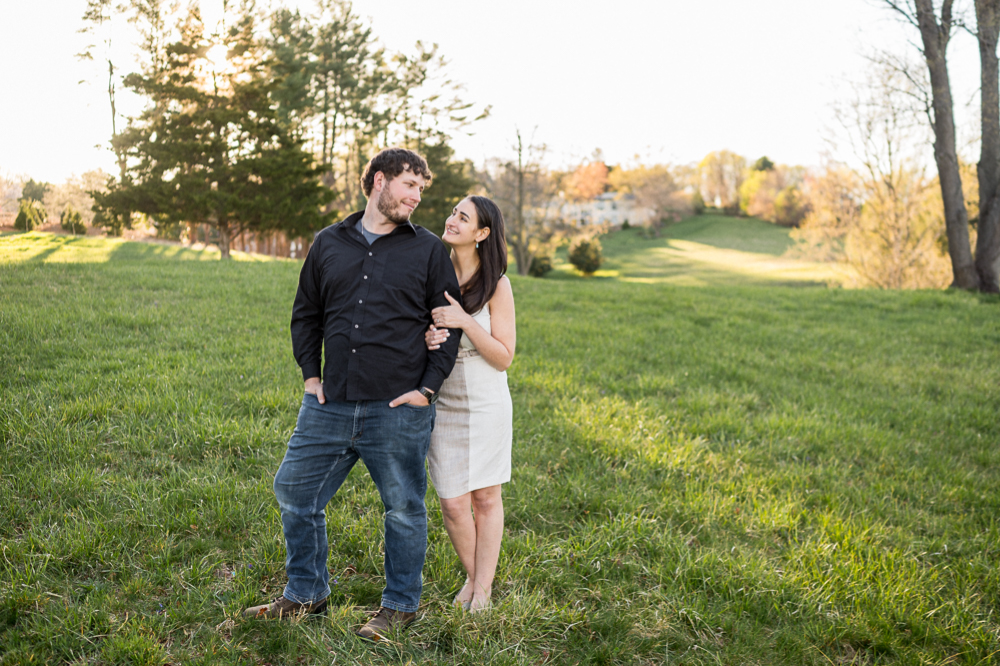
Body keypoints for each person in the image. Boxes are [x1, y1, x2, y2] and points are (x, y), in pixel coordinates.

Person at [243, 147, 462, 642]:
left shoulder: (428, 250)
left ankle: (401, 606)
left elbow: (447, 326)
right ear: (380, 181)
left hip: (397, 407)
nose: (417, 197)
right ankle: (306, 595)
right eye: (411, 185)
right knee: (295, 492)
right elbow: (307, 314)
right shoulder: (327, 243)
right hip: (330, 402)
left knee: (403, 507)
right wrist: (309, 375)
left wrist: (427, 389)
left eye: (422, 190)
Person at [423, 195, 516, 613]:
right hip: (444, 404)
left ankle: (481, 591)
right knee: (453, 502)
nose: (452, 220)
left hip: (486, 403)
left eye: (464, 217)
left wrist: (463, 321)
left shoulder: (496, 283)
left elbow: (503, 357)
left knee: (485, 499)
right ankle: (475, 578)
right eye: (453, 213)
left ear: (481, 234)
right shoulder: (432, 274)